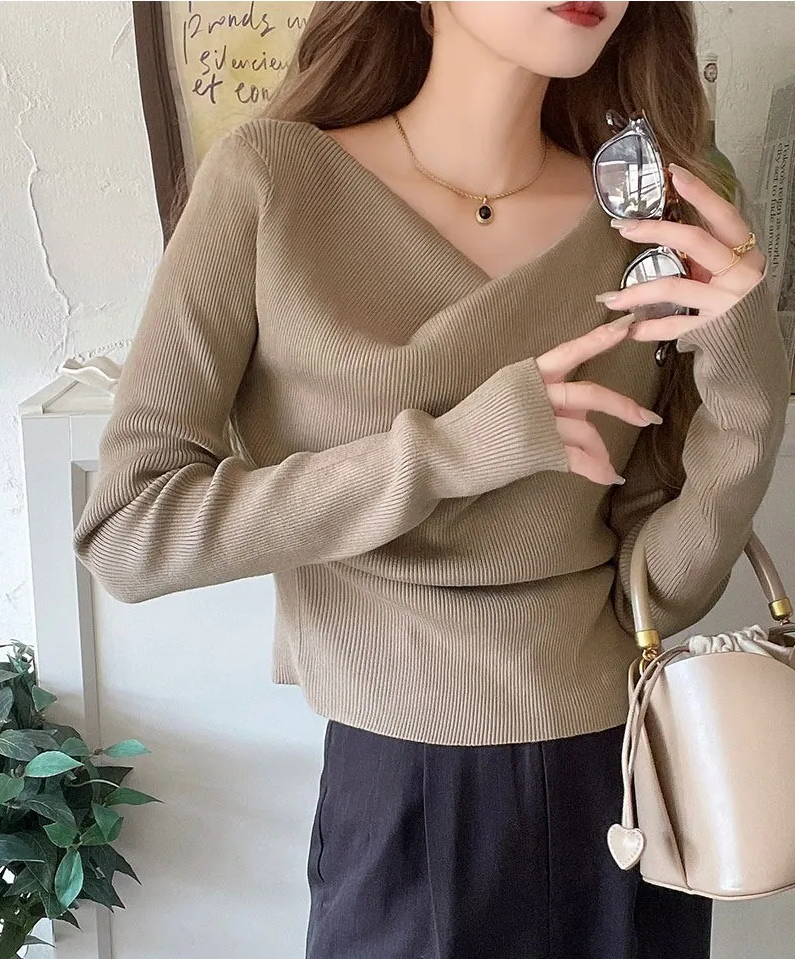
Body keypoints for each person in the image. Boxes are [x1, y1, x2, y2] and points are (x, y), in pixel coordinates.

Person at [72, 2, 790, 957]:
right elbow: (127, 532)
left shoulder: (641, 219)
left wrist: (748, 385)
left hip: (621, 782)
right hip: (400, 792)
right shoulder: (270, 181)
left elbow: (661, 587)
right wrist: (447, 453)